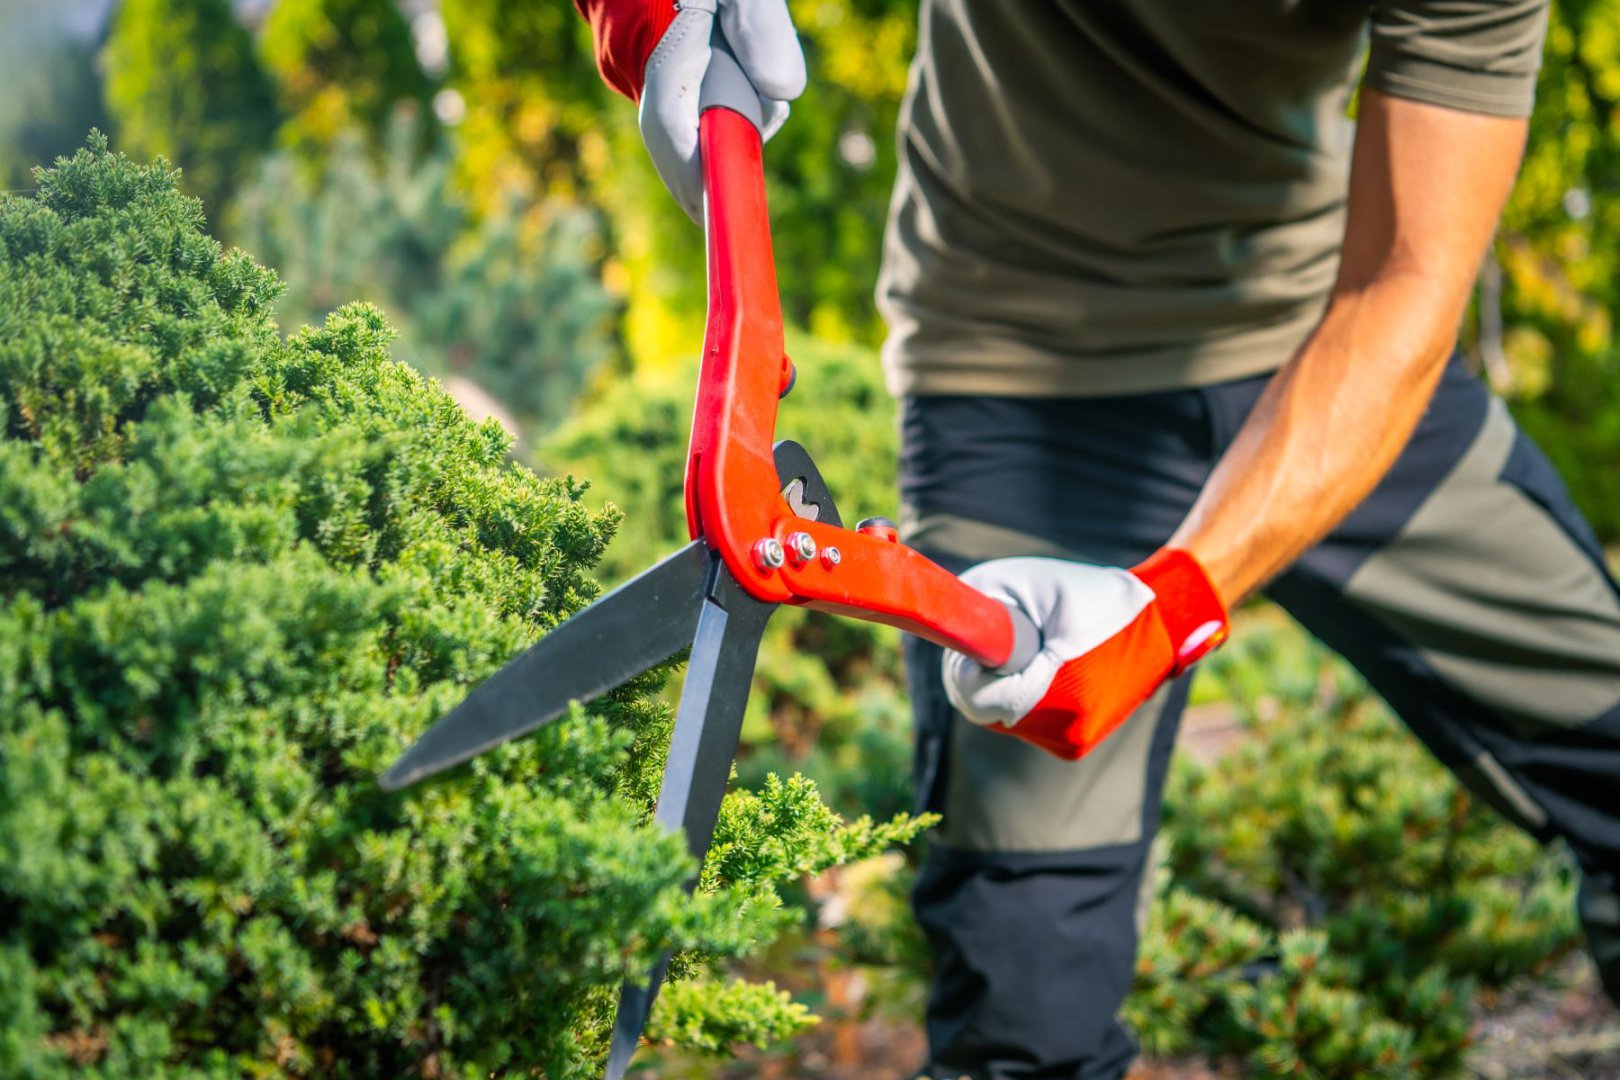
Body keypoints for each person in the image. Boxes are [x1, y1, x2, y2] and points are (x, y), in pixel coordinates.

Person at [573, 1, 1620, 1077]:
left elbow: (1409, 276)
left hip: (1338, 360)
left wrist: (1172, 605)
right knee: (1027, 1014)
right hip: (1019, 385)